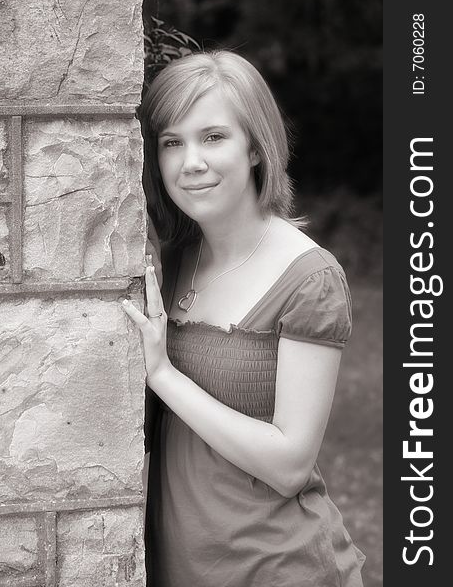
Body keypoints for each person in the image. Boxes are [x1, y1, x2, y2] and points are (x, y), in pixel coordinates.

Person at [122, 50, 366, 586]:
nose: (191, 162)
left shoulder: (308, 279)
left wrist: (163, 374)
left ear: (256, 146)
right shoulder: (171, 261)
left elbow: (289, 465)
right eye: (172, 142)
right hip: (181, 567)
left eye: (213, 137)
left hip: (276, 567)